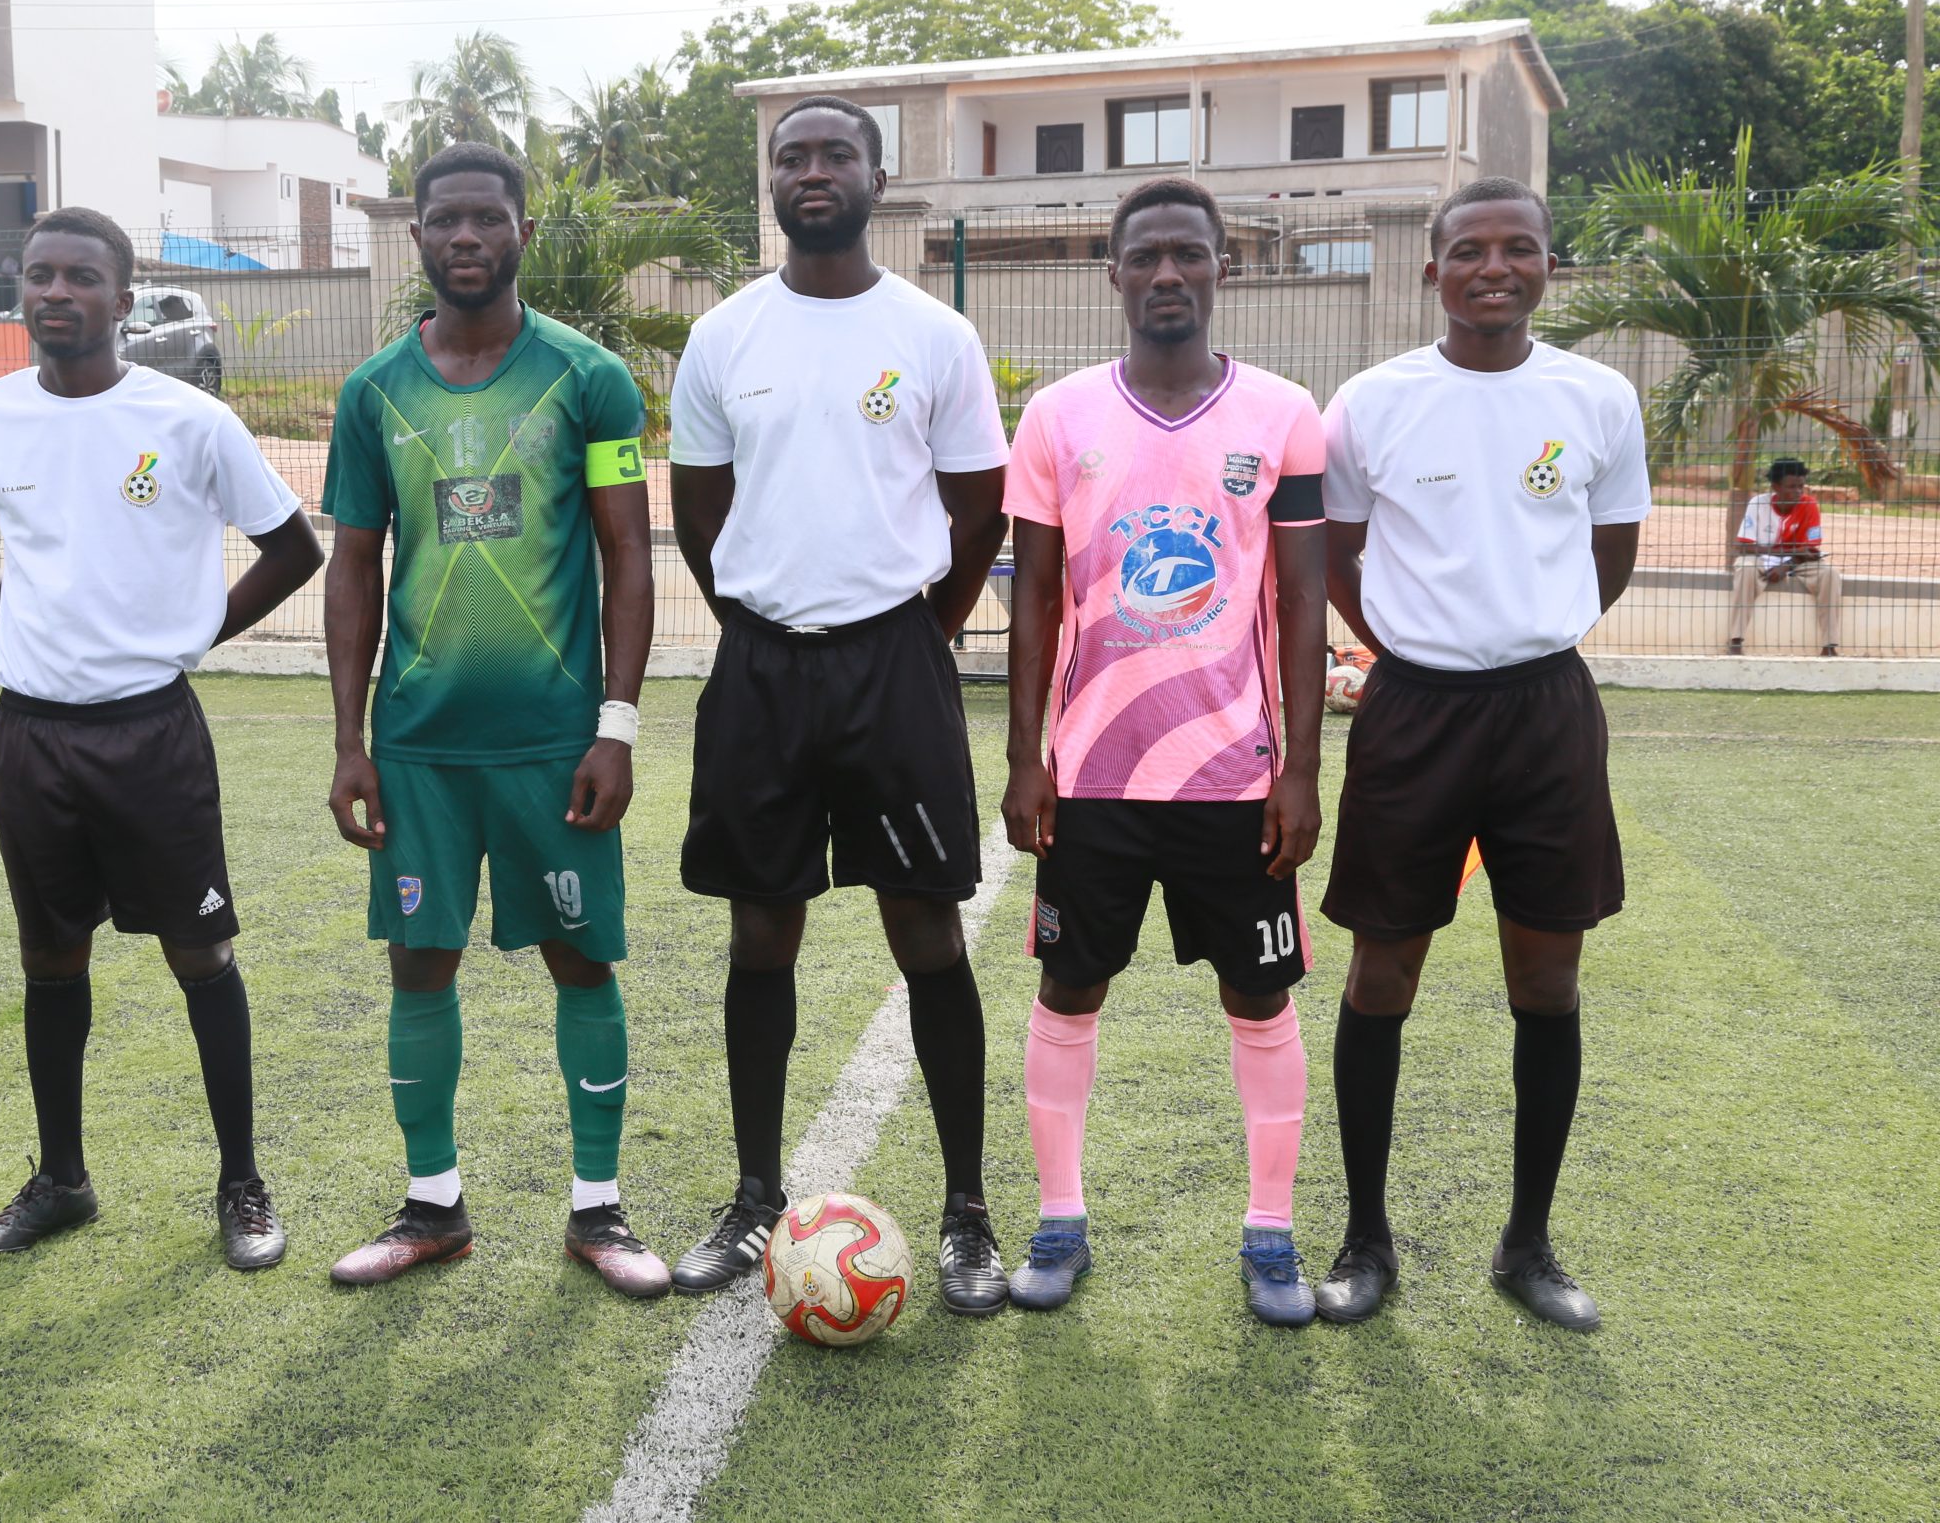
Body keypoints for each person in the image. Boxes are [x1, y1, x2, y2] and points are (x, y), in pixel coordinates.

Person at [666, 95, 1014, 1315]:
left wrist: (921, 630)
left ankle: (967, 1211)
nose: (812, 171)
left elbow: (979, 509)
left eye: (835, 154)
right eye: (791, 157)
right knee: (760, 933)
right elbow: (698, 511)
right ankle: (754, 1194)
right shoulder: (722, 337)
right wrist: (758, 616)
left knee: (927, 932)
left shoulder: (932, 334)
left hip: (894, 667)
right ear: (771, 181)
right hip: (761, 671)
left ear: (877, 174)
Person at [0, 206, 325, 1269]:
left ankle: (241, 1184)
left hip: (151, 733)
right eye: (38, 275)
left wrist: (188, 635)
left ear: (123, 297)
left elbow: (295, 549)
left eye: (80, 277)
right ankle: (62, 1180)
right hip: (32, 736)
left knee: (201, 954)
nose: (55, 292)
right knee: (50, 958)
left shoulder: (190, 419)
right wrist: (31, 619)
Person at [320, 143, 667, 1297]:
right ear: (417, 236)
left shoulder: (589, 378)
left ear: (523, 230)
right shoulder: (372, 393)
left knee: (582, 959)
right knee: (419, 966)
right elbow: (353, 567)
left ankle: (597, 1210)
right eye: (443, 220)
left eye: (485, 217)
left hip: (555, 744)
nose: (464, 236)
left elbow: (627, 555)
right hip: (419, 745)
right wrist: (350, 742)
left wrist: (616, 725)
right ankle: (433, 1207)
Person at [1315, 176, 1650, 1332]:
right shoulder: (1371, 402)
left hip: (1546, 710)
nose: (1492, 267)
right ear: (1433, 269)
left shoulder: (1597, 398)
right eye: (1468, 249)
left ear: (1550, 265)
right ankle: (1365, 1239)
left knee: (1545, 980)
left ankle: (1527, 1244)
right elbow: (1338, 557)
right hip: (1413, 712)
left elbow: (1609, 553)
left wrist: (1528, 628)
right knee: (1381, 975)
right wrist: (1409, 648)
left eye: (1517, 248)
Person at [998, 177, 1329, 1326]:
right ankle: (1059, 1220)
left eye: (1189, 254)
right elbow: (1035, 596)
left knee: (1259, 994)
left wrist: (1300, 770)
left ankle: (1271, 1233)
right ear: (1114, 274)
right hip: (1091, 773)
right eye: (1145, 257)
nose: (1167, 274)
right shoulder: (1057, 417)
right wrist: (1025, 757)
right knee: (1069, 984)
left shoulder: (1283, 414)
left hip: (1233, 777)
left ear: (1223, 267)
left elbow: (1300, 600)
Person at [1727, 458, 1841, 657]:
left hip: (1797, 561)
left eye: (1801, 486)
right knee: (1745, 569)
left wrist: (1786, 565)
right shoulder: (1758, 503)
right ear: (1776, 487)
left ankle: (1829, 645)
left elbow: (1811, 549)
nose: (1798, 491)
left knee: (1830, 574)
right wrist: (1784, 553)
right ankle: (1736, 640)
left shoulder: (1809, 505)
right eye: (1791, 487)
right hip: (1762, 557)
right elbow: (1744, 545)